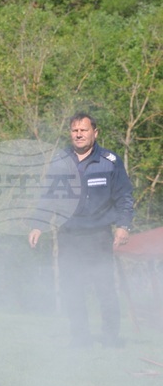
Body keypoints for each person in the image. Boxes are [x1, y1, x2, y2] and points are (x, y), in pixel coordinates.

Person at [28, 113, 134, 348]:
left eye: (84, 130)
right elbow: (48, 197)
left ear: (95, 133)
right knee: (72, 290)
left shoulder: (110, 161)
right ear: (70, 133)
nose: (79, 134)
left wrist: (123, 226)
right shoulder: (59, 161)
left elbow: (124, 196)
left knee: (104, 289)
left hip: (98, 236)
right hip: (69, 236)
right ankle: (80, 339)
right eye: (75, 130)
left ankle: (110, 339)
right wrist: (38, 224)